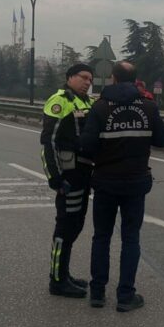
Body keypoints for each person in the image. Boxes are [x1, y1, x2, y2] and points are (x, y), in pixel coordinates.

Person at [80, 61, 164, 312]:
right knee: (131, 238)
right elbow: (163, 140)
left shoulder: (99, 107)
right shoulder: (149, 107)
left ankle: (97, 293)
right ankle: (125, 295)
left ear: (114, 79)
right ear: (134, 80)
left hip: (105, 182)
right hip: (135, 183)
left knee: (102, 237)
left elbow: (86, 146)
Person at [41, 63, 94, 297]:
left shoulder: (87, 102)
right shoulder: (59, 101)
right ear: (70, 77)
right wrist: (55, 178)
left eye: (90, 79)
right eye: (83, 77)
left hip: (84, 174)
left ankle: (64, 273)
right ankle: (57, 280)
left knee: (76, 225)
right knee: (65, 226)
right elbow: (48, 142)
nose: (87, 82)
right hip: (68, 175)